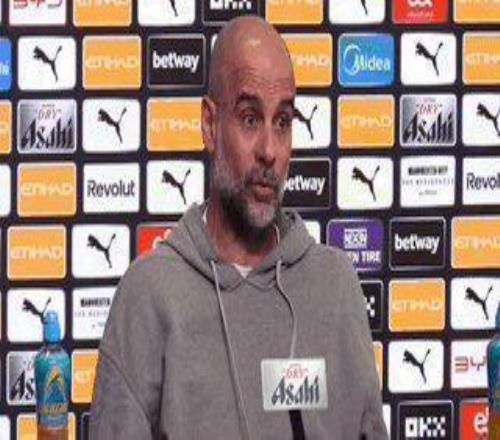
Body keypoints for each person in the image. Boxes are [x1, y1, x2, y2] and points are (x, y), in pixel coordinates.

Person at [89, 15, 388, 440]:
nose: (269, 150)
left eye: (282, 122)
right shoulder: (149, 297)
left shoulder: (336, 286)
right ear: (210, 125)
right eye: (250, 119)